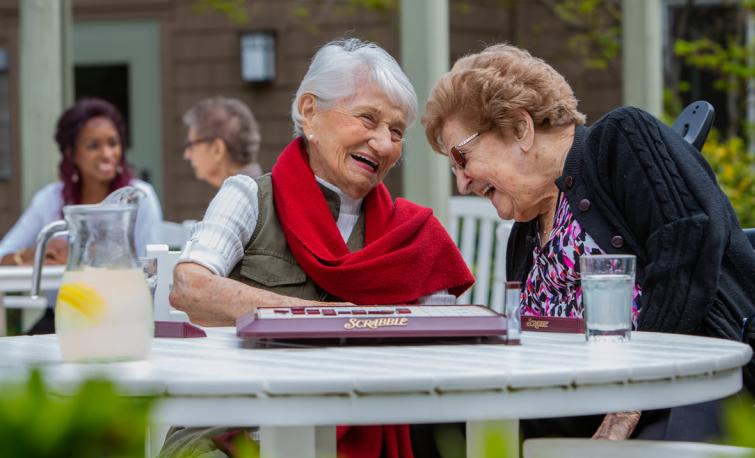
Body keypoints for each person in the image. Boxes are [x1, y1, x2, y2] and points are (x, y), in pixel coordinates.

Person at [422, 44, 755, 442]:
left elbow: (687, 247)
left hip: (699, 383)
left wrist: (633, 396)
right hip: (584, 400)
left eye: (461, 158)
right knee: (436, 420)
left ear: (519, 128)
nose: (461, 182)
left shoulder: (621, 140)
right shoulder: (526, 232)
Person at [163, 38, 474, 458]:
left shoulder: (412, 235)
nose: (384, 144)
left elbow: (442, 353)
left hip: (360, 426)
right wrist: (323, 317)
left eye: (396, 131)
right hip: (235, 425)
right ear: (310, 111)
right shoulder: (249, 197)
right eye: (368, 118)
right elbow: (190, 288)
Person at [0, 98, 162, 263]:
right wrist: (35, 255)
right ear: (71, 153)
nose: (107, 154)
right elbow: (4, 253)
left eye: (113, 143)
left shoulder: (139, 197)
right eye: (93, 146)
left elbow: (152, 265)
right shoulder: (50, 199)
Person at [182, 97, 264, 188]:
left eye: (191, 145)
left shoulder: (235, 199)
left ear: (217, 149)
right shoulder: (262, 191)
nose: (187, 155)